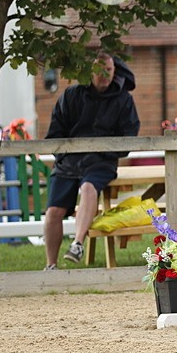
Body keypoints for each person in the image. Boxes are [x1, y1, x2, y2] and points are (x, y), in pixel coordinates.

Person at [42, 52, 140, 269]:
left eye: (109, 70)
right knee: (53, 212)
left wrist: (105, 153)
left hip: (101, 163)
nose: (104, 74)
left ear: (115, 71)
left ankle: (77, 244)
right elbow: (54, 134)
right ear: (90, 71)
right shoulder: (71, 95)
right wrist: (64, 156)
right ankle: (50, 266)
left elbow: (129, 137)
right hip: (68, 162)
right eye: (99, 70)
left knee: (88, 188)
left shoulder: (124, 99)